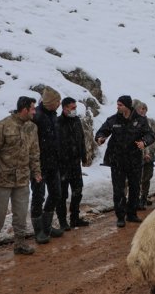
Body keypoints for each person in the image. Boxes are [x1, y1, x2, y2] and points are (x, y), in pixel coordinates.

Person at [0, 96, 43, 260]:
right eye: (32, 109)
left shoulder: (32, 127)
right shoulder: (3, 126)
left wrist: (36, 171)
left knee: (21, 214)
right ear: (24, 109)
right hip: (2, 179)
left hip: (22, 179)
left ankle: (20, 244)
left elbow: (34, 152)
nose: (34, 112)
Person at [95, 95, 155, 228]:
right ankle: (120, 216)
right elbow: (102, 131)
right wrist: (100, 138)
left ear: (127, 106)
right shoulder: (113, 120)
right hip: (117, 160)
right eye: (117, 104)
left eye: (120, 105)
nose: (118, 107)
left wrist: (144, 142)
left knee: (135, 188)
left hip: (134, 160)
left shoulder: (140, 120)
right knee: (119, 190)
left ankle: (132, 214)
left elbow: (150, 135)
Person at [30, 87, 64, 243]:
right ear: (50, 102)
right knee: (38, 196)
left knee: (56, 193)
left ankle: (47, 226)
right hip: (39, 164)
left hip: (53, 163)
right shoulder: (36, 116)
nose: (59, 104)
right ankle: (38, 231)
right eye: (57, 101)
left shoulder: (53, 115)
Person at [56, 97, 90, 229]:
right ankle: (62, 221)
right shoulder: (57, 123)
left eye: (75, 107)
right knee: (62, 195)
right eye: (72, 108)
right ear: (65, 108)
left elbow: (81, 139)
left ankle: (75, 218)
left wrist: (84, 156)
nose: (75, 110)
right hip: (62, 165)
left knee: (78, 191)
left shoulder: (76, 121)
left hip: (75, 163)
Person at [132, 99, 155, 210]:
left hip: (149, 156)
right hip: (137, 156)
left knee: (147, 178)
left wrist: (152, 148)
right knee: (136, 178)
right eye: (141, 108)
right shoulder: (133, 123)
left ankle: (144, 197)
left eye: (145, 109)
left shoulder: (151, 122)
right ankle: (136, 199)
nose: (143, 110)